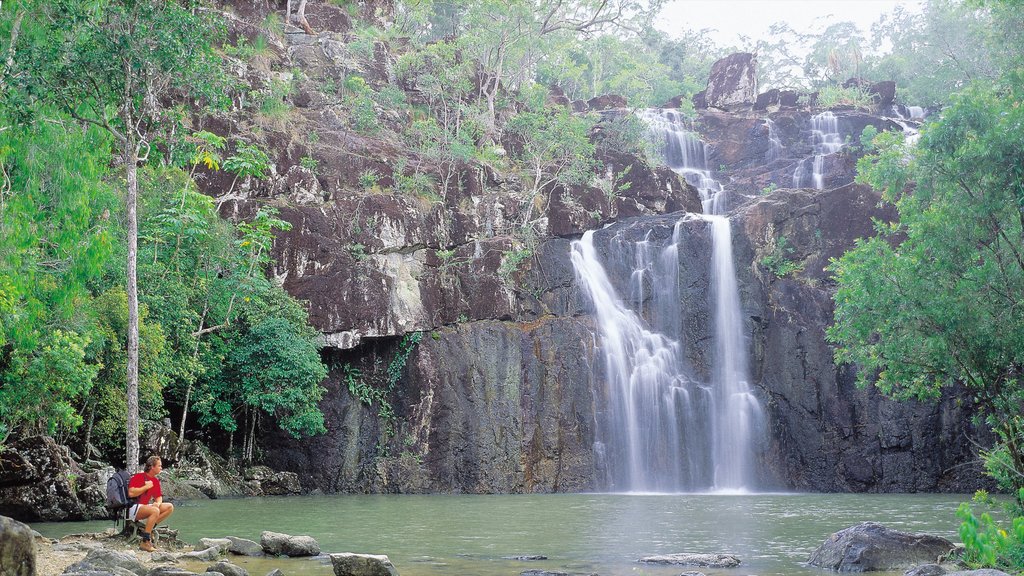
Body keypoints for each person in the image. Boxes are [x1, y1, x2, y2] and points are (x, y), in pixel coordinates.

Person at [127, 455, 174, 552]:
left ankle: (149, 529)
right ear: (152, 467)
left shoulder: (155, 480)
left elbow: (159, 497)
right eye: (159, 466)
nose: (161, 468)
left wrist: (157, 503)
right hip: (133, 507)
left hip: (143, 507)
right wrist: (146, 487)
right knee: (155, 510)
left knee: (169, 507)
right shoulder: (138, 477)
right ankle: (145, 541)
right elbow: (131, 493)